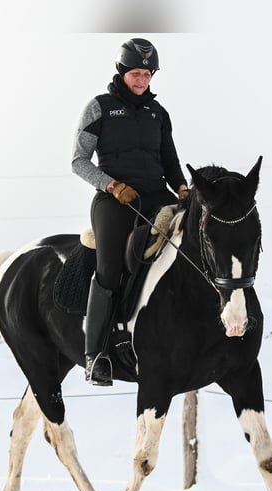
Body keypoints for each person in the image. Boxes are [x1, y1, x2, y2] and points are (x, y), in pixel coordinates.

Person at [72, 38, 189, 386]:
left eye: (148, 74)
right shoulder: (100, 107)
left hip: (156, 195)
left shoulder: (158, 113)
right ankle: (96, 355)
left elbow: (169, 159)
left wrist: (182, 189)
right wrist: (111, 185)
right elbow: (79, 161)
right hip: (115, 200)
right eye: (136, 73)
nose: (142, 80)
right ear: (122, 72)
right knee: (109, 267)